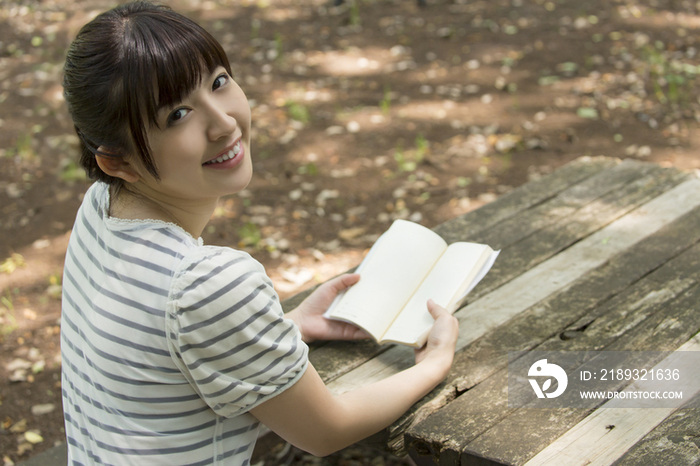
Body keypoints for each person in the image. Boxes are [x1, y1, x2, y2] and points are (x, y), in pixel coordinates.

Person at [60, 2, 459, 464]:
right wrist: (433, 366)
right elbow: (326, 430)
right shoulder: (205, 282)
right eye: (177, 115)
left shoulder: (99, 210)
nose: (224, 122)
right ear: (118, 161)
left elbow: (155, 360)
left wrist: (283, 330)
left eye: (218, 82)